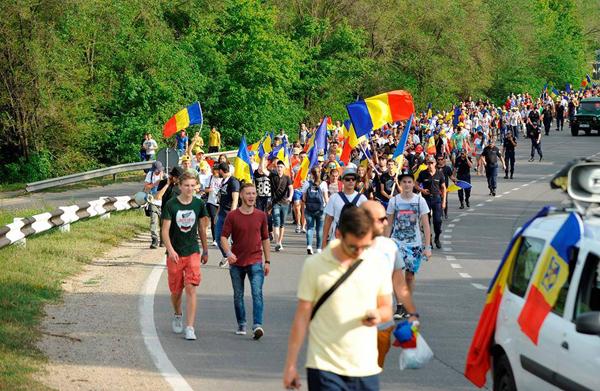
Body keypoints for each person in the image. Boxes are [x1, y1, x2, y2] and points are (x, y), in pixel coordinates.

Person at [283, 207, 393, 390]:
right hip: (324, 366)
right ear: (339, 234)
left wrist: (378, 314)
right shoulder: (315, 265)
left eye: (364, 246)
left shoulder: (377, 262)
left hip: (365, 367)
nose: (358, 252)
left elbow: (387, 308)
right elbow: (302, 317)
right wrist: (291, 365)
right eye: (352, 246)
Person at [361, 200, 419, 368]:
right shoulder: (346, 247)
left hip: (383, 321)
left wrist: (412, 313)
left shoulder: (389, 246)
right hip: (353, 322)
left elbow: (400, 284)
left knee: (374, 366)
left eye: (386, 218)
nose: (386, 223)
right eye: (381, 219)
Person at [160, 171, 209, 341]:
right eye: (186, 185)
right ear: (180, 186)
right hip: (175, 253)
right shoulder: (171, 205)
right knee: (175, 290)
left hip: (192, 251)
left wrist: (205, 249)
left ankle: (190, 327)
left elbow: (202, 228)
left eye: (192, 185)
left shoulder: (199, 204)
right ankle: (177, 313)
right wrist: (171, 249)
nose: (190, 188)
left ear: (196, 186)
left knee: (191, 287)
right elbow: (164, 230)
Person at [220, 183, 270, 339]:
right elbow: (223, 237)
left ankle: (257, 325)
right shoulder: (232, 216)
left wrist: (267, 261)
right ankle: (241, 323)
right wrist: (228, 253)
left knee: (257, 293)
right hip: (236, 262)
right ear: (241, 195)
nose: (251, 196)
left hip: (255, 260)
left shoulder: (261, 215)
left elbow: (265, 238)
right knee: (238, 295)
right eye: (248, 193)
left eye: (254, 193)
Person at [385, 172, 431, 319]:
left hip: (415, 244)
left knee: (409, 276)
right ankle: (399, 305)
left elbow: (425, 224)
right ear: (400, 184)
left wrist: (427, 246)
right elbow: (389, 223)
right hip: (397, 242)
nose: (407, 185)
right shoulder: (394, 201)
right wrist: (385, 243)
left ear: (413, 184)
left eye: (409, 182)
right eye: (404, 182)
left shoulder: (420, 201)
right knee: (396, 274)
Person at [321, 167, 368, 249]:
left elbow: (366, 221)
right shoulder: (334, 198)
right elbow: (328, 220)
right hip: (337, 240)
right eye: (347, 179)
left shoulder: (362, 198)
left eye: (353, 179)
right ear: (342, 180)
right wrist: (324, 241)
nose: (351, 181)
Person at [416, 155, 446, 249]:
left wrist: (444, 201)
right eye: (428, 163)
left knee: (437, 221)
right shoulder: (423, 173)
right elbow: (415, 184)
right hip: (426, 200)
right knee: (426, 221)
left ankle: (437, 237)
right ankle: (429, 240)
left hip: (437, 199)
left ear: (435, 164)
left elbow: (443, 188)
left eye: (432, 163)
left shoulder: (439, 174)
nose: (430, 165)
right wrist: (422, 190)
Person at [214, 162, 240, 267]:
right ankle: (226, 255)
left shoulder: (233, 181)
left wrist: (232, 215)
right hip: (221, 214)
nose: (217, 172)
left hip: (230, 214)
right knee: (218, 237)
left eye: (217, 170)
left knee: (234, 240)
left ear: (221, 170)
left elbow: (235, 199)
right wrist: (217, 214)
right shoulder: (223, 181)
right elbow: (222, 200)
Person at [303, 167, 329, 255]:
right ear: (320, 173)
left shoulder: (307, 183)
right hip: (321, 209)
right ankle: (318, 248)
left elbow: (303, 198)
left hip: (309, 209)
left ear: (311, 174)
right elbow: (326, 198)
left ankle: (309, 246)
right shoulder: (323, 184)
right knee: (320, 229)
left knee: (310, 228)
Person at [270, 160, 293, 252]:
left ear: (284, 168)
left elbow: (291, 188)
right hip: (275, 203)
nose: (279, 168)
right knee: (276, 221)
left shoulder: (287, 178)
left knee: (282, 224)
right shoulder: (272, 176)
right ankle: (277, 243)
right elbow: (263, 170)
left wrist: (290, 197)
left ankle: (280, 241)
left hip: (285, 203)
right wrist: (264, 158)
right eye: (278, 167)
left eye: (281, 167)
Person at [144, 161, 164, 249]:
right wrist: (155, 184)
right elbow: (146, 187)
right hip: (153, 201)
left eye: (158, 170)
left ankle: (163, 240)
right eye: (156, 170)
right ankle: (154, 240)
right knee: (153, 221)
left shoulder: (165, 175)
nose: (157, 172)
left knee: (163, 223)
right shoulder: (150, 174)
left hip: (163, 202)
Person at [203, 165, 222, 246]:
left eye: (216, 171)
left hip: (221, 203)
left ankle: (222, 237)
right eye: (214, 171)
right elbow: (205, 189)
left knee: (222, 220)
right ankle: (215, 239)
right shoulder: (210, 178)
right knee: (214, 220)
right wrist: (209, 189)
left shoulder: (223, 179)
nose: (215, 173)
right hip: (212, 202)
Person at [436, 155, 453, 219]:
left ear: (444, 160)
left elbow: (451, 177)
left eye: (441, 159)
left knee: (445, 200)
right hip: (436, 187)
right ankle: (439, 213)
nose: (440, 161)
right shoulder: (435, 167)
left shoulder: (447, 168)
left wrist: (455, 180)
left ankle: (445, 213)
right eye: (438, 159)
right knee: (438, 200)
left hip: (445, 188)